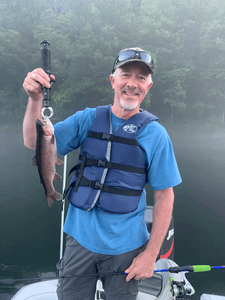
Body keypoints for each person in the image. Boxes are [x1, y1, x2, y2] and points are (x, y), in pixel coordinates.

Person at [23, 47, 182, 300]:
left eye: (141, 78)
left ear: (148, 86)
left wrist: (151, 255)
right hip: (79, 242)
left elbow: (165, 196)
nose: (132, 83)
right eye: (126, 74)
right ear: (113, 80)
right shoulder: (87, 119)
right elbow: (34, 141)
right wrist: (34, 99)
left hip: (126, 250)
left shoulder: (156, 135)